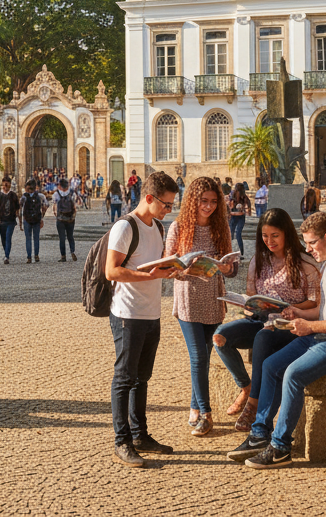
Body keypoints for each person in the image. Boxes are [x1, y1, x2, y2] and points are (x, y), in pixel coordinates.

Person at [227, 212, 326, 469]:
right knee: (271, 366)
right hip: (322, 335)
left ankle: (281, 447)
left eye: (311, 243)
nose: (307, 249)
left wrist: (310, 326)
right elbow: (325, 310)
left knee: (293, 373)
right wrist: (298, 313)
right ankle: (260, 434)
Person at [212, 208, 321, 432]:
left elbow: (314, 301)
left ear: (286, 234)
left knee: (263, 337)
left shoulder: (305, 263)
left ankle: (253, 406)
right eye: (264, 235)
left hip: (289, 323)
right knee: (220, 336)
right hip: (261, 319)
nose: (269, 241)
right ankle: (246, 385)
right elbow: (251, 294)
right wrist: (249, 306)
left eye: (275, 235)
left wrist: (292, 309)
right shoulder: (258, 260)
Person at [105, 170, 179, 468]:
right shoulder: (125, 227)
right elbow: (112, 271)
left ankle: (140, 435)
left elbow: (155, 266)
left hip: (151, 312)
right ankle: (121, 441)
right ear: (148, 198)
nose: (168, 209)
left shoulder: (158, 228)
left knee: (143, 378)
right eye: (165, 204)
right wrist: (147, 276)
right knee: (124, 377)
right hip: (128, 313)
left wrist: (175, 269)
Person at [167, 175, 239, 436]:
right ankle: (206, 415)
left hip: (212, 300)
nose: (208, 207)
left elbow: (231, 269)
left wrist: (225, 267)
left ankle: (195, 406)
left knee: (204, 358)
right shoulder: (178, 228)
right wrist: (184, 268)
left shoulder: (221, 228)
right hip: (187, 299)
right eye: (203, 201)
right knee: (197, 357)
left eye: (213, 202)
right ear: (192, 201)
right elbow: (167, 268)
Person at [20, 178, 48, 262]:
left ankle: (29, 257)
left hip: (27, 220)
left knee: (28, 238)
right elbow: (46, 205)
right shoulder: (40, 196)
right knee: (36, 238)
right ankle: (36, 255)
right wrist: (42, 217)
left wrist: (20, 221)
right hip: (37, 219)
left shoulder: (24, 197)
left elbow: (20, 208)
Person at [0, 177, 20, 264]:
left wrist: (18, 218)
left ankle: (7, 256)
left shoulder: (13, 195)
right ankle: (6, 253)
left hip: (11, 221)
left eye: (7, 183)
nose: (5, 185)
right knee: (3, 238)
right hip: (1, 221)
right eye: (4, 183)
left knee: (8, 237)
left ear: (9, 184)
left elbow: (17, 207)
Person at [53, 177, 79, 262]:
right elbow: (75, 206)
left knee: (62, 238)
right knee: (70, 236)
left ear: (60, 185)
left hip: (60, 218)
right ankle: (72, 251)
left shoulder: (56, 194)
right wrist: (73, 216)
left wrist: (56, 214)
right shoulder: (72, 193)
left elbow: (55, 206)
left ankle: (63, 256)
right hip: (70, 218)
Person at [228, 185, 251, 258]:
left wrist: (245, 210)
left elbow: (248, 206)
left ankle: (240, 253)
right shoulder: (233, 197)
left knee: (238, 234)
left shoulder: (244, 197)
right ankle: (229, 251)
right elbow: (229, 208)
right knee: (231, 234)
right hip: (234, 217)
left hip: (240, 217)